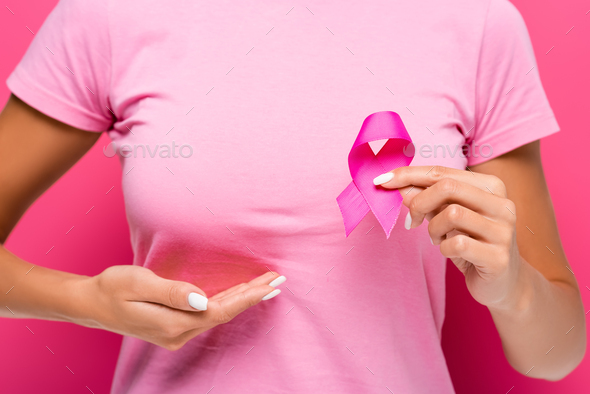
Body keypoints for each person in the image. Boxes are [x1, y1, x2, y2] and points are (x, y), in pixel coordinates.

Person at [0, 0, 585, 392]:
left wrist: (511, 287)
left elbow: (556, 354)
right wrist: (88, 302)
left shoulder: (476, 22)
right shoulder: (107, 16)